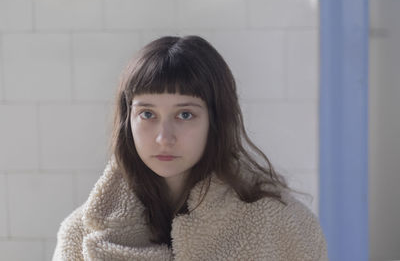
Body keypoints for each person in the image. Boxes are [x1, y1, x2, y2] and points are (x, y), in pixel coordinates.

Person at [52, 35, 328, 260]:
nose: (163, 137)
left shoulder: (281, 224)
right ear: (128, 120)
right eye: (147, 114)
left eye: (185, 115)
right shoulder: (81, 234)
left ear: (216, 120)